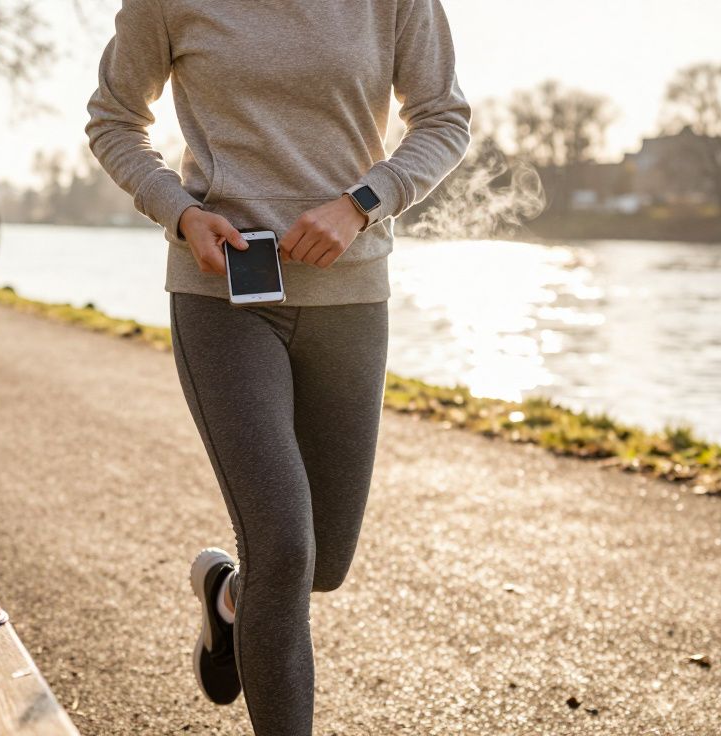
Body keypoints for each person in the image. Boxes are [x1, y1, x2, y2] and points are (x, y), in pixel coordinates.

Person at [87, 1, 470, 733]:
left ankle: (230, 599)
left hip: (351, 297)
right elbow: (113, 119)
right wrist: (179, 211)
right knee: (285, 546)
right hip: (224, 297)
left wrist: (363, 203)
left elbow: (444, 117)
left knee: (321, 564)